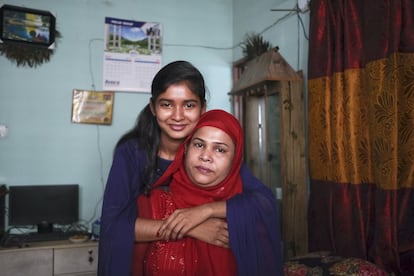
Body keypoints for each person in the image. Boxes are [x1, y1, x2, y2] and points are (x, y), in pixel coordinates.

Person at [98, 61, 283, 276]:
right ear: (153, 107)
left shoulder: (209, 151)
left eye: (189, 105)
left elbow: (260, 201)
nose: (178, 116)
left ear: (203, 108)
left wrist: (205, 211)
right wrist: (193, 227)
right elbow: (114, 226)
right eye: (167, 104)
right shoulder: (132, 153)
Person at [138, 109, 281, 276]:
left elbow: (265, 206)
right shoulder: (154, 199)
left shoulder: (248, 211)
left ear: (235, 161)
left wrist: (206, 210)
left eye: (220, 150)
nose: (205, 156)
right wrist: (189, 228)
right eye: (199, 144)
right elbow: (117, 232)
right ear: (185, 149)